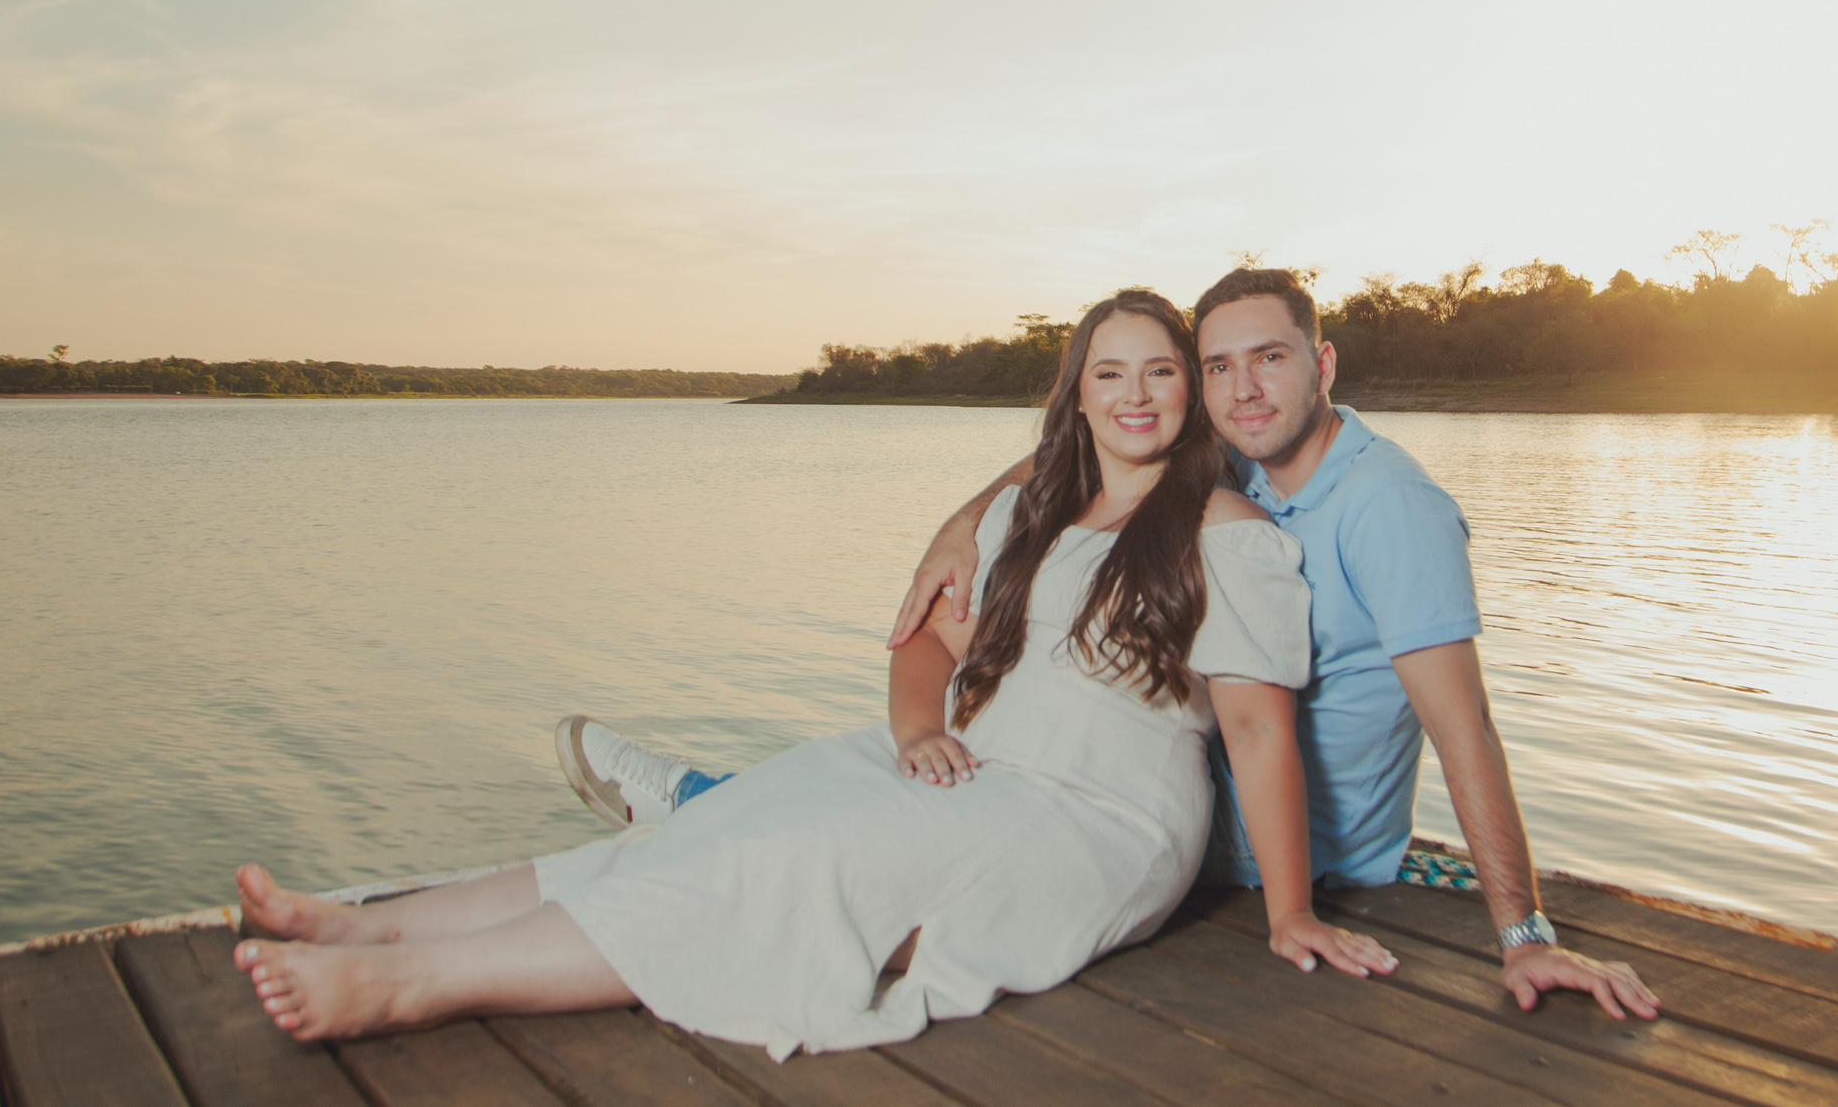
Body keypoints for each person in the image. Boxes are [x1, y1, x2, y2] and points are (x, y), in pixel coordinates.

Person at [233, 290, 1396, 1053]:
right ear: (1076, 394)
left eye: (1160, 374)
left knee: (790, 861)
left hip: (1097, 816)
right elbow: (925, 646)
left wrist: (1289, 907)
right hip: (970, 765)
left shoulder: (1225, 534)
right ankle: (369, 927)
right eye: (1110, 375)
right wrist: (912, 734)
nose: (1136, 396)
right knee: (705, 826)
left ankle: (418, 984)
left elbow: (1253, 733)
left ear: (1188, 392)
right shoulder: (1022, 517)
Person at [570, 267, 1661, 1022]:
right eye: (1219, 365)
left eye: (1268, 359)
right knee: (927, 750)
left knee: (885, 838)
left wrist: (1522, 931)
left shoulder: (1386, 509)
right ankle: (728, 806)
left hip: (1225, 842)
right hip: (1145, 785)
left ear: (1321, 362)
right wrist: (964, 518)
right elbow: (1084, 454)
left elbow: (1461, 720)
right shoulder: (1241, 465)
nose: (1243, 388)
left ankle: (704, 806)